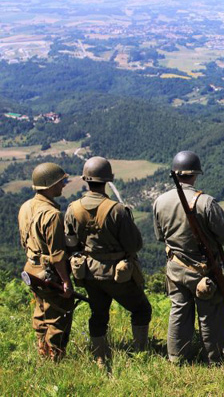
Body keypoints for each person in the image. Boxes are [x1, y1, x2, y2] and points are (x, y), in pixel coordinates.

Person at [64, 156, 151, 367]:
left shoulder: (73, 209)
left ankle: (100, 358)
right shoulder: (117, 210)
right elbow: (134, 245)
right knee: (141, 309)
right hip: (117, 274)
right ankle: (141, 354)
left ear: (86, 179)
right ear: (108, 180)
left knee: (98, 313)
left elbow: (71, 243)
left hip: (89, 274)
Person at [153, 151, 224, 364]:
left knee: (179, 311)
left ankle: (177, 358)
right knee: (211, 314)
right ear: (196, 173)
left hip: (175, 268)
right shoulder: (205, 202)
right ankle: (215, 359)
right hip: (205, 270)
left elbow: (160, 236)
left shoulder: (160, 201)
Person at [18, 162, 74, 361]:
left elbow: (24, 241)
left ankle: (42, 353)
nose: (64, 185)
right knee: (59, 315)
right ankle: (55, 360)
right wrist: (65, 281)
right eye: (61, 181)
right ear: (50, 185)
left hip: (32, 270)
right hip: (49, 273)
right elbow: (57, 254)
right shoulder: (52, 215)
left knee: (41, 312)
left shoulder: (26, 207)